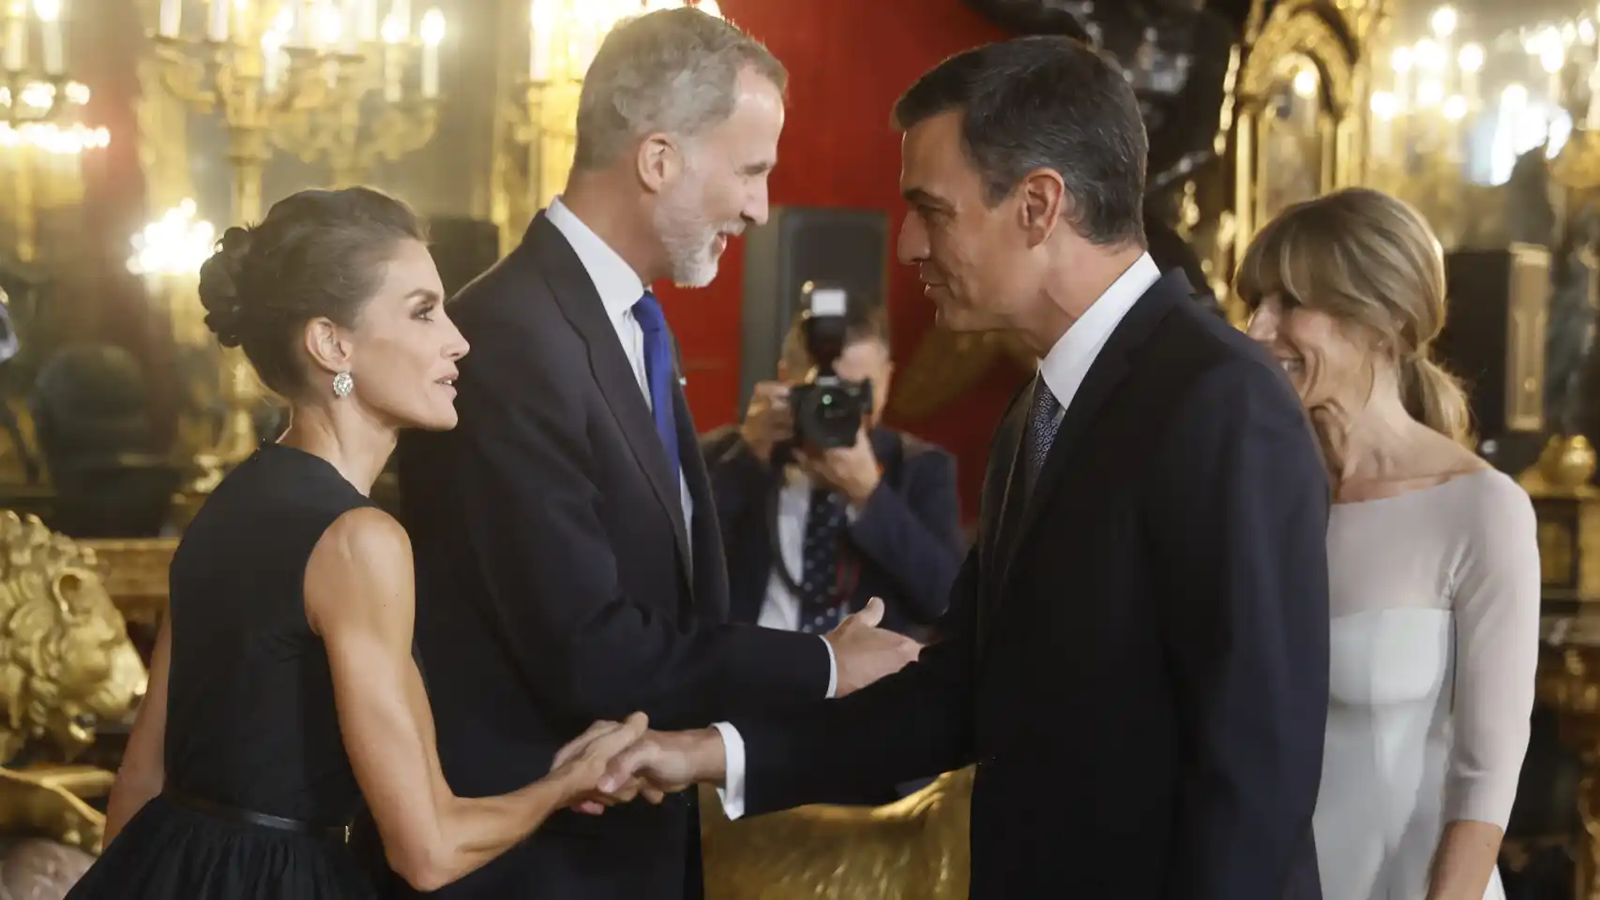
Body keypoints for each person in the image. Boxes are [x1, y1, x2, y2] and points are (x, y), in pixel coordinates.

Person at [601, 35, 1332, 900]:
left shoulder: (1221, 402)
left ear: (1038, 205)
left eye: (932, 210)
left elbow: (1255, 774)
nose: (909, 244)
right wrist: (709, 752)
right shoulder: (1040, 411)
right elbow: (965, 689)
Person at [392, 9, 920, 899]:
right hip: (536, 866)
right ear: (659, 159)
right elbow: (585, 647)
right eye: (751, 170)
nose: (760, 207)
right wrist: (826, 663)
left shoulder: (626, 319)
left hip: (625, 846)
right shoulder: (511, 336)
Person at [68, 188, 649, 900]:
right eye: (423, 311)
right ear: (331, 343)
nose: (458, 340)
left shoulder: (226, 507)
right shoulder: (360, 540)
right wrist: (566, 784)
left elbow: (141, 779)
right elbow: (429, 852)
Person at [1238, 188, 1539, 900]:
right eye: (1254, 302)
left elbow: (1486, 777)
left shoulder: (1481, 508)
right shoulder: (1254, 499)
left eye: (1289, 302)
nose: (1255, 329)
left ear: (1384, 324)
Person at [701, 304, 964, 641]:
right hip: (751, 664)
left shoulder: (920, 467)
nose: (837, 406)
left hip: (867, 671)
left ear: (886, 381)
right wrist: (746, 460)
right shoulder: (724, 456)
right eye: (824, 391)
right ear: (786, 378)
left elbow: (946, 602)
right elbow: (681, 576)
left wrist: (870, 495)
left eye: (855, 391)